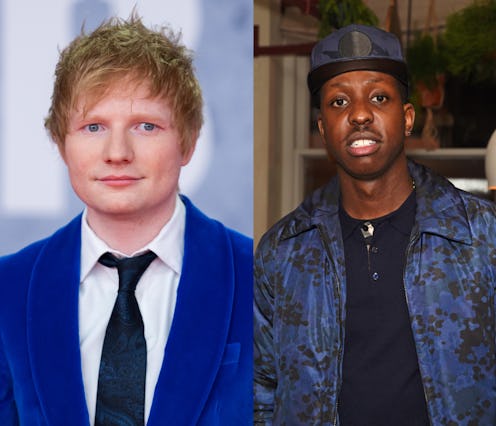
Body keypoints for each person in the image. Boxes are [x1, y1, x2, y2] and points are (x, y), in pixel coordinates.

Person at [0, 15, 252, 425]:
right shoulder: (9, 287)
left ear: (187, 141)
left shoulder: (258, 273)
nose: (117, 152)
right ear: (61, 143)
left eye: (146, 126)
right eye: (93, 126)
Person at [254, 24, 496, 425]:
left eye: (379, 97)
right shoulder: (284, 251)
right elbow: (261, 389)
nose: (360, 114)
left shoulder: (481, 235)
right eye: (338, 102)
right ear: (323, 131)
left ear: (406, 119)